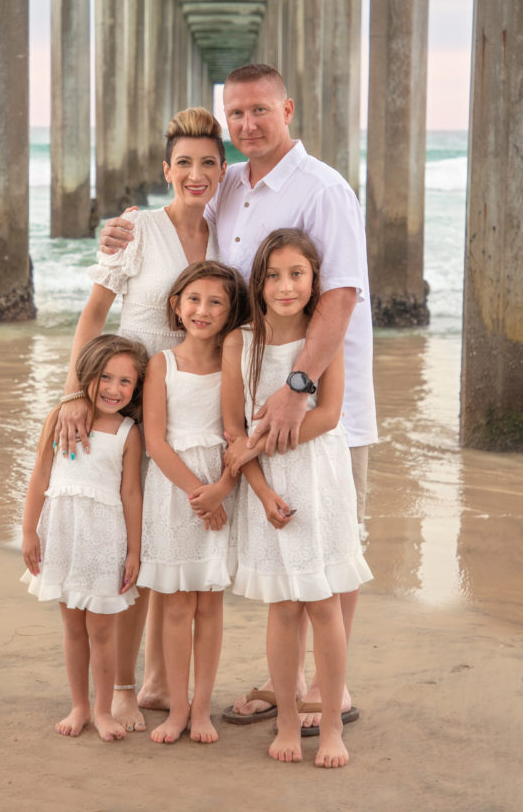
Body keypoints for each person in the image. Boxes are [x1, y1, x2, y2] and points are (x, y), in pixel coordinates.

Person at [100, 64, 377, 732]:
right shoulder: (228, 185)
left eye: (260, 111)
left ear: (287, 108)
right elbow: (178, 210)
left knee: (330, 541)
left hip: (314, 396)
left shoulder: (321, 188)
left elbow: (338, 293)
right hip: (248, 392)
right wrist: (119, 231)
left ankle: (325, 692)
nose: (248, 124)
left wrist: (297, 390)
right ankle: (289, 680)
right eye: (237, 115)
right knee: (278, 542)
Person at [54, 107, 227, 732]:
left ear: (223, 169)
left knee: (168, 539)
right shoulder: (136, 229)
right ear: (166, 170)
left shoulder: (231, 232)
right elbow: (93, 314)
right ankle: (121, 687)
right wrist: (75, 393)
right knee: (126, 540)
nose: (196, 173)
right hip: (130, 400)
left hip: (194, 404)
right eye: (184, 162)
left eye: (209, 161)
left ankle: (159, 680)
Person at [223, 230, 372, 767]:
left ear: (315, 282)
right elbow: (231, 425)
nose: (285, 286)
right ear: (257, 282)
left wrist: (255, 445)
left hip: (318, 475)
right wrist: (258, 486)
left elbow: (329, 415)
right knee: (283, 608)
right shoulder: (240, 340)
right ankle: (287, 721)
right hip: (267, 486)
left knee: (324, 603)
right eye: (273, 275)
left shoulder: (320, 338)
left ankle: (331, 725)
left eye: (297, 274)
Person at [138, 261, 249, 744]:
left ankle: (202, 708)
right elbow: (156, 442)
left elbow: (236, 432)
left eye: (216, 302)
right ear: (176, 306)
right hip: (173, 492)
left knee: (210, 603)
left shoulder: (234, 362)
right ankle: (177, 708)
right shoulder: (161, 363)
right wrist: (196, 495)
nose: (203, 310)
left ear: (230, 312)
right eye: (194, 300)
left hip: (221, 483)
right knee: (177, 604)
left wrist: (221, 488)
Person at [21, 334, 147, 741]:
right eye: (106, 377)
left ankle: (104, 709)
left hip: (105, 541)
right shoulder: (61, 416)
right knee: (73, 628)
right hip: (62, 535)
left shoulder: (129, 431)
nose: (114, 389)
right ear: (87, 375)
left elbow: (131, 492)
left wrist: (134, 550)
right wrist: (28, 532)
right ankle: (79, 706)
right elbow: (40, 474)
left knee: (103, 631)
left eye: (126, 382)